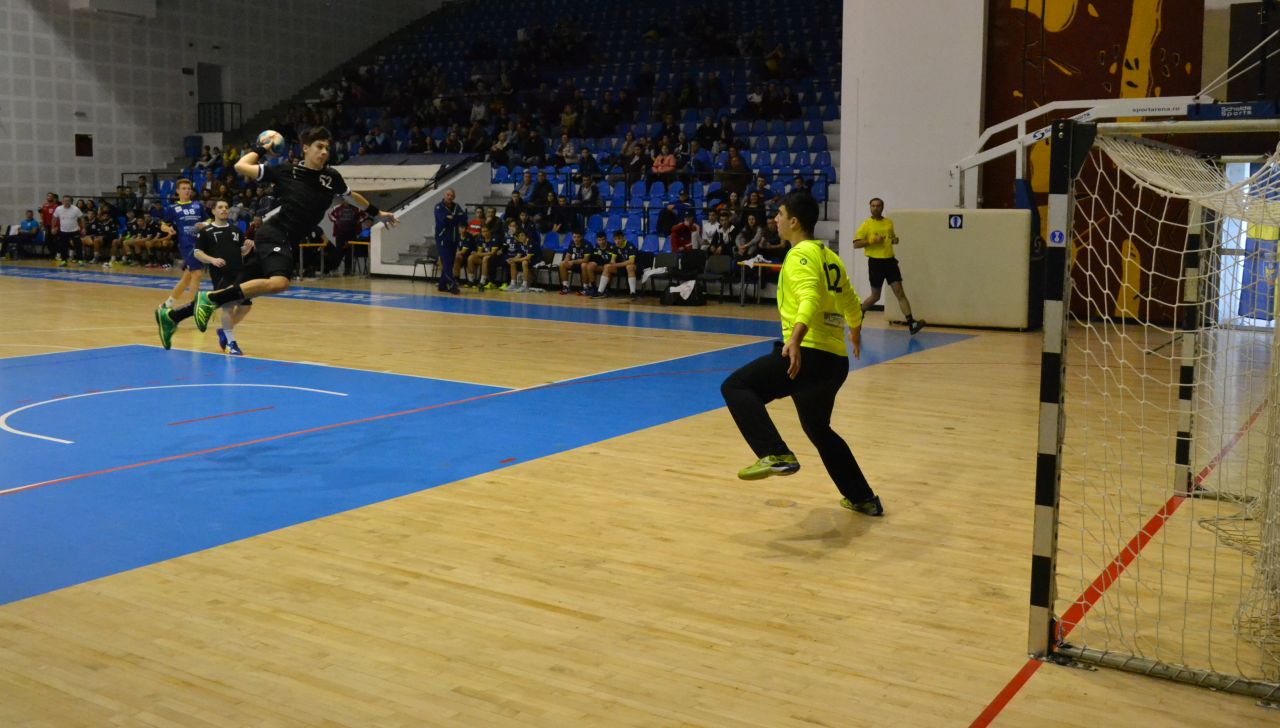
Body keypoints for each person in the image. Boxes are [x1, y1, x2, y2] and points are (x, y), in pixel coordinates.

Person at [155, 127, 397, 349]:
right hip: (275, 234)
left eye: (327, 147)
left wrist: (378, 213)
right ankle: (209, 299)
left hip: (285, 240)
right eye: (319, 146)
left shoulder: (331, 177)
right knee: (280, 282)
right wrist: (262, 148)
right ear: (305, 148)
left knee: (234, 292)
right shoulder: (286, 171)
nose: (324, 152)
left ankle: (172, 316)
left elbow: (351, 196)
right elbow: (241, 165)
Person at [720, 190, 883, 516]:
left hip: (807, 355)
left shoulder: (800, 255)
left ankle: (775, 453)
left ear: (793, 222)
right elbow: (851, 300)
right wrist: (854, 330)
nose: (775, 220)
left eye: (779, 215)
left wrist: (795, 339)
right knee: (819, 429)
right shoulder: (830, 256)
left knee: (736, 387)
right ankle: (863, 497)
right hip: (834, 362)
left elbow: (809, 297)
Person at [853, 197, 924, 335]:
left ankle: (912, 324)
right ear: (870, 208)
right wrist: (872, 241)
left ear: (882, 207)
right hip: (876, 263)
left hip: (890, 262)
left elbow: (892, 238)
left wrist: (895, 240)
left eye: (878, 206)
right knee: (875, 296)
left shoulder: (888, 223)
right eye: (873, 206)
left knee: (900, 293)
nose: (875, 208)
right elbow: (856, 244)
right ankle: (858, 315)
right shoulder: (866, 224)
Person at [193, 199, 254, 355]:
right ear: (213, 211)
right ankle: (231, 343)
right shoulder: (206, 231)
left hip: (239, 273)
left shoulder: (235, 230)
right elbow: (197, 253)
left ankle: (224, 331)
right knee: (228, 307)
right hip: (221, 275)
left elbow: (241, 251)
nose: (224, 209)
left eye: (226, 207)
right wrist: (212, 260)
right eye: (220, 207)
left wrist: (247, 248)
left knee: (246, 306)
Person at [161, 179, 209, 308]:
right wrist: (168, 229)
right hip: (187, 244)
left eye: (188, 188)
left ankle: (167, 304)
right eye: (184, 188)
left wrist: (204, 224)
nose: (187, 191)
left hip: (201, 243)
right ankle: (192, 307)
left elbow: (209, 220)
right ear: (177, 191)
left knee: (187, 277)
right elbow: (163, 225)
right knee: (197, 274)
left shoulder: (198, 205)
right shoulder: (172, 208)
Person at [433, 188, 465, 293]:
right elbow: (443, 221)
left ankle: (442, 285)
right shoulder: (438, 207)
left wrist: (452, 218)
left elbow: (464, 218)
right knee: (446, 263)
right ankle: (452, 285)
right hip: (443, 239)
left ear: (454, 197)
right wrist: (455, 218)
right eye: (448, 195)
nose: (450, 197)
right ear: (444, 195)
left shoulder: (457, 206)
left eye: (452, 195)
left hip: (454, 239)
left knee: (450, 263)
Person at [50, 195, 84, 266]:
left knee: (78, 246)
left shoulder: (76, 209)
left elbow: (82, 218)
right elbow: (54, 218)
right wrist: (53, 228)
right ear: (62, 201)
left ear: (71, 201)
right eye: (65, 200)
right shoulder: (58, 209)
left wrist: (83, 228)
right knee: (63, 247)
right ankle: (64, 261)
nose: (66, 202)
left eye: (68, 200)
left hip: (75, 231)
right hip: (63, 231)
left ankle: (80, 260)